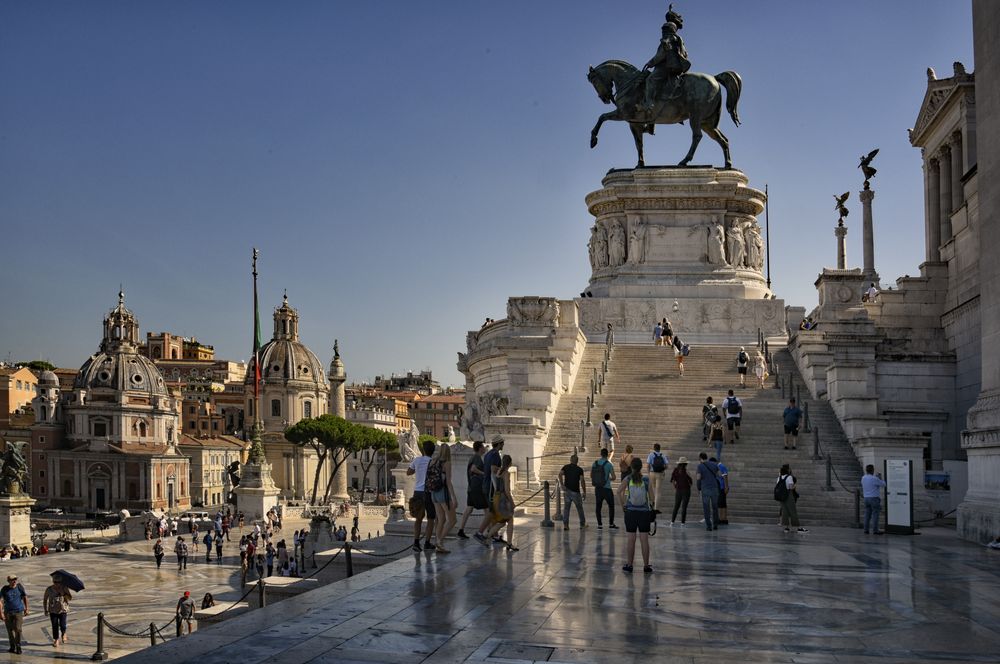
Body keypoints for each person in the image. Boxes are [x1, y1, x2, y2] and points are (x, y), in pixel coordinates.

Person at [641, 19, 690, 113]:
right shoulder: (678, 39)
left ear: (670, 30)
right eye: (663, 30)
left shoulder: (668, 39)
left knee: (650, 80)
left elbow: (661, 55)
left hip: (667, 66)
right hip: (674, 66)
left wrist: (650, 63)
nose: (663, 32)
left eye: (665, 29)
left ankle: (649, 104)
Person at [619, 458, 653, 573]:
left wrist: (623, 504)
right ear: (640, 467)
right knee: (644, 540)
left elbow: (619, 491)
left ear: (632, 467)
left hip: (630, 512)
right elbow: (652, 497)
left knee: (631, 539)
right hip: (644, 513)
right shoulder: (646, 480)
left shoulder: (628, 478)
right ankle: (646, 566)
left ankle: (629, 565)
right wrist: (652, 508)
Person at [406, 439, 436, 552]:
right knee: (431, 518)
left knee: (418, 518)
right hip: (429, 492)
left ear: (423, 450)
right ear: (433, 451)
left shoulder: (417, 460)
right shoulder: (433, 461)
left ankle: (416, 542)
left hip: (418, 491)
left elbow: (408, 472)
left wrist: (417, 470)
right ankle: (427, 542)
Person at [483, 455, 518, 551]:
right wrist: (512, 503)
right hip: (503, 499)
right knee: (509, 520)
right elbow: (507, 490)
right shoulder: (506, 474)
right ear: (510, 463)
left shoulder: (498, 472)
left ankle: (487, 537)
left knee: (502, 522)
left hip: (496, 497)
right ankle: (509, 544)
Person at [429, 443, 457, 554]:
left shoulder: (433, 461)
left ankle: (438, 544)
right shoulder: (447, 463)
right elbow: (448, 482)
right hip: (443, 493)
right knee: (452, 520)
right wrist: (454, 498)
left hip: (434, 493)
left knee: (441, 520)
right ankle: (439, 541)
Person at [456, 441, 487, 539]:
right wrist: (483, 474)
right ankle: (491, 532)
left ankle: (461, 530)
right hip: (477, 488)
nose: (485, 448)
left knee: (469, 508)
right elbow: (473, 469)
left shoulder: (472, 458)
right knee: (487, 509)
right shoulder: (477, 458)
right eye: (483, 446)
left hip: (471, 488)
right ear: (480, 448)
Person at [776, 463, 808, 533]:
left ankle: (786, 528)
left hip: (781, 496)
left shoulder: (779, 477)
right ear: (788, 470)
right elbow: (791, 487)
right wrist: (794, 486)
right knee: (793, 511)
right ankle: (798, 528)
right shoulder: (789, 477)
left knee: (785, 512)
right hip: (788, 495)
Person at [559, 454, 587, 530]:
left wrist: (562, 484)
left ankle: (566, 525)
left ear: (570, 460)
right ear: (577, 461)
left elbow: (560, 474)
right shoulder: (579, 469)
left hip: (567, 491)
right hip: (575, 492)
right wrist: (584, 492)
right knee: (579, 508)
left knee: (566, 508)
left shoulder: (565, 467)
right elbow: (582, 481)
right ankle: (582, 524)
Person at [0, 575, 27, 654]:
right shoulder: (5, 589)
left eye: (15, 579)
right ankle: (12, 646)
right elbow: (0, 601)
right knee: (10, 630)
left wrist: (27, 608)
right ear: (8, 581)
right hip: (8, 612)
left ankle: (18, 646)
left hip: (18, 611)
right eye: (12, 580)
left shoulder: (19, 587)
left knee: (18, 629)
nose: (14, 581)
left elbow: (25, 597)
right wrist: (1, 613)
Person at [592, 447, 618, 530]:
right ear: (607, 455)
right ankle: (611, 524)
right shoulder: (609, 464)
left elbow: (591, 476)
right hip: (607, 488)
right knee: (611, 506)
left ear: (601, 454)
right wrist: (608, 478)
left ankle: (599, 525)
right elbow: (614, 477)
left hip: (598, 488)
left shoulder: (595, 463)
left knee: (598, 506)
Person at [44, 573, 71, 646]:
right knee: (54, 625)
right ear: (53, 582)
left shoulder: (64, 588)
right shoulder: (49, 589)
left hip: (62, 609)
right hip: (53, 610)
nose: (57, 584)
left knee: (63, 624)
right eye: (55, 582)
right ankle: (56, 639)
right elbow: (45, 599)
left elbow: (70, 598)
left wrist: (64, 594)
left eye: (59, 582)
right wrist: (45, 610)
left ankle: (64, 633)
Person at [695, 452, 720, 531]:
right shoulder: (714, 465)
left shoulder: (700, 466)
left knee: (706, 508)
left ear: (700, 458)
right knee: (715, 507)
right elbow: (718, 474)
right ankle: (715, 524)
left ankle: (709, 526)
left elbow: (698, 478)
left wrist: (698, 488)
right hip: (714, 488)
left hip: (705, 488)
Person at [861, 464, 886, 535]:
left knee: (867, 514)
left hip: (866, 498)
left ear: (866, 470)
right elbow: (884, 484)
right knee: (875, 514)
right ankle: (875, 530)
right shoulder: (874, 478)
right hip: (874, 498)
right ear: (872, 470)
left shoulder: (863, 478)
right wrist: (880, 478)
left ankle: (866, 529)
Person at [670, 456, 692, 526]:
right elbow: (691, 482)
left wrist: (676, 486)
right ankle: (682, 523)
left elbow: (673, 480)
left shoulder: (675, 470)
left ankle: (672, 522)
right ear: (685, 464)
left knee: (676, 506)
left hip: (678, 490)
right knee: (684, 507)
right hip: (686, 490)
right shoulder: (687, 471)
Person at [646, 443, 669, 510]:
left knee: (653, 488)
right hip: (660, 474)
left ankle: (654, 503)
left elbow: (647, 465)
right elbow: (667, 466)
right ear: (659, 448)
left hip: (652, 473)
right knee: (658, 491)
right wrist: (663, 470)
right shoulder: (663, 455)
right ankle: (656, 507)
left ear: (654, 448)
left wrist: (648, 473)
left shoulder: (651, 455)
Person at [716, 458, 730, 525]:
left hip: (722, 487)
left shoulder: (721, 466)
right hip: (721, 487)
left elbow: (725, 476)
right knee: (723, 503)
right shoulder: (720, 466)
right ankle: (723, 518)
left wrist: (726, 487)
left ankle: (722, 518)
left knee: (721, 503)